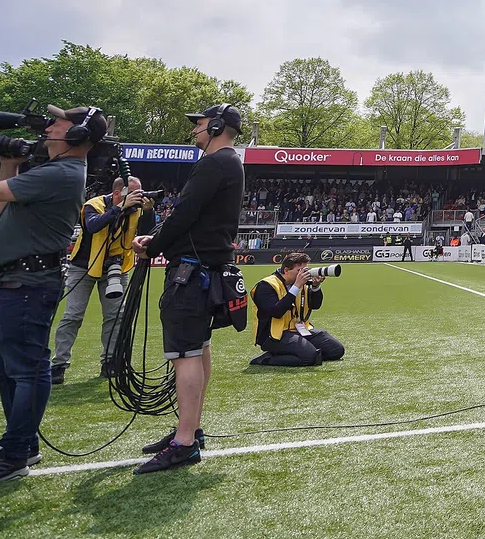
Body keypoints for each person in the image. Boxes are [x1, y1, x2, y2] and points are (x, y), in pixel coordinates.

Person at [0, 105, 104, 491]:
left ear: (78, 136)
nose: (47, 127)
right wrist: (9, 165)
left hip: (28, 286)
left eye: (57, 123)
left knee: (27, 369)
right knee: (5, 367)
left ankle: (14, 453)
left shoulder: (61, 173)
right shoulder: (54, 172)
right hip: (15, 283)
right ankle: (22, 445)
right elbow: (2, 207)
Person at [130, 103, 245, 475]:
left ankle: (184, 442)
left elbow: (184, 213)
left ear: (215, 125)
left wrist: (153, 245)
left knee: (185, 354)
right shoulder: (231, 162)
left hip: (191, 273)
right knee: (199, 348)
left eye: (197, 125)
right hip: (206, 268)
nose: (193, 131)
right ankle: (190, 428)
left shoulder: (214, 163)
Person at [52, 175, 157, 384]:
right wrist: (118, 209)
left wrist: (148, 211)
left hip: (116, 267)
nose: (139, 197)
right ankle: (58, 365)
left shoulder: (135, 210)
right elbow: (93, 226)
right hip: (84, 267)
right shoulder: (94, 204)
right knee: (72, 315)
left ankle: (110, 362)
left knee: (115, 316)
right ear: (118, 193)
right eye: (134, 193)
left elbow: (147, 234)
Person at [248, 253, 345, 366]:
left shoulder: (302, 285)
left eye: (305, 270)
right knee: (309, 357)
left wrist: (315, 286)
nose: (303, 274)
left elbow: (315, 305)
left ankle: (304, 352)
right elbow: (276, 312)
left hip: (297, 330)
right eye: (300, 270)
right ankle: (266, 359)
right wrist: (296, 287)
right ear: (286, 270)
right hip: (273, 335)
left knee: (336, 350)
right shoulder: (266, 285)